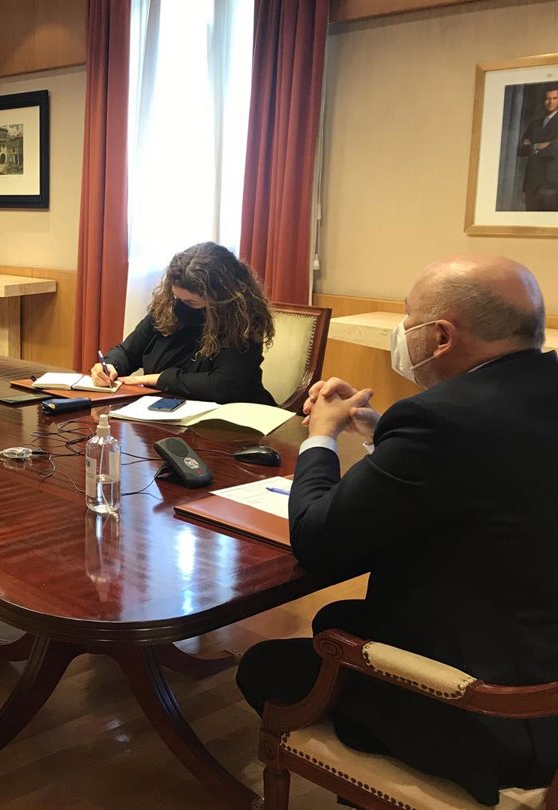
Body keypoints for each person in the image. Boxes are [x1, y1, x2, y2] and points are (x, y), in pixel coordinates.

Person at [235, 255, 558, 805]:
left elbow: (317, 539)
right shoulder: (530, 394)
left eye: (408, 320)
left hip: (491, 712)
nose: (402, 334)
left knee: (265, 667)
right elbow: (490, 470)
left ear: (441, 337)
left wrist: (321, 437)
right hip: (538, 658)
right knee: (330, 623)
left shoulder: (441, 419)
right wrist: (382, 433)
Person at [89, 242, 275, 404]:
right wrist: (111, 366)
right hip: (163, 407)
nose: (179, 306)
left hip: (231, 416)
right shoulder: (168, 307)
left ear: (220, 297)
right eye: (176, 297)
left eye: (190, 302)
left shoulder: (243, 322)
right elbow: (128, 351)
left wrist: (159, 379)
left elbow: (222, 386)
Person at [518, 86, 558, 211]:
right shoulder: (534, 124)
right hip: (532, 182)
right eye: (547, 98)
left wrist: (533, 146)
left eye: (555, 98)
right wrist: (539, 146)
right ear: (543, 101)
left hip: (552, 184)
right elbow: (521, 150)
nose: (550, 102)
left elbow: (554, 149)